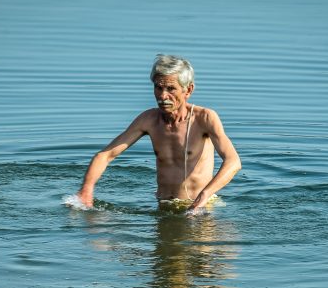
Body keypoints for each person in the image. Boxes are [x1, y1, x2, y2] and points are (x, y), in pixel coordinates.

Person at [76, 54, 241, 214]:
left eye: (170, 89)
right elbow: (105, 155)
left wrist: (205, 195)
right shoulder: (148, 120)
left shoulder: (204, 118)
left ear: (188, 90)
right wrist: (86, 190)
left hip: (199, 207)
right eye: (158, 87)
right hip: (163, 206)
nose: (163, 96)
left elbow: (233, 162)